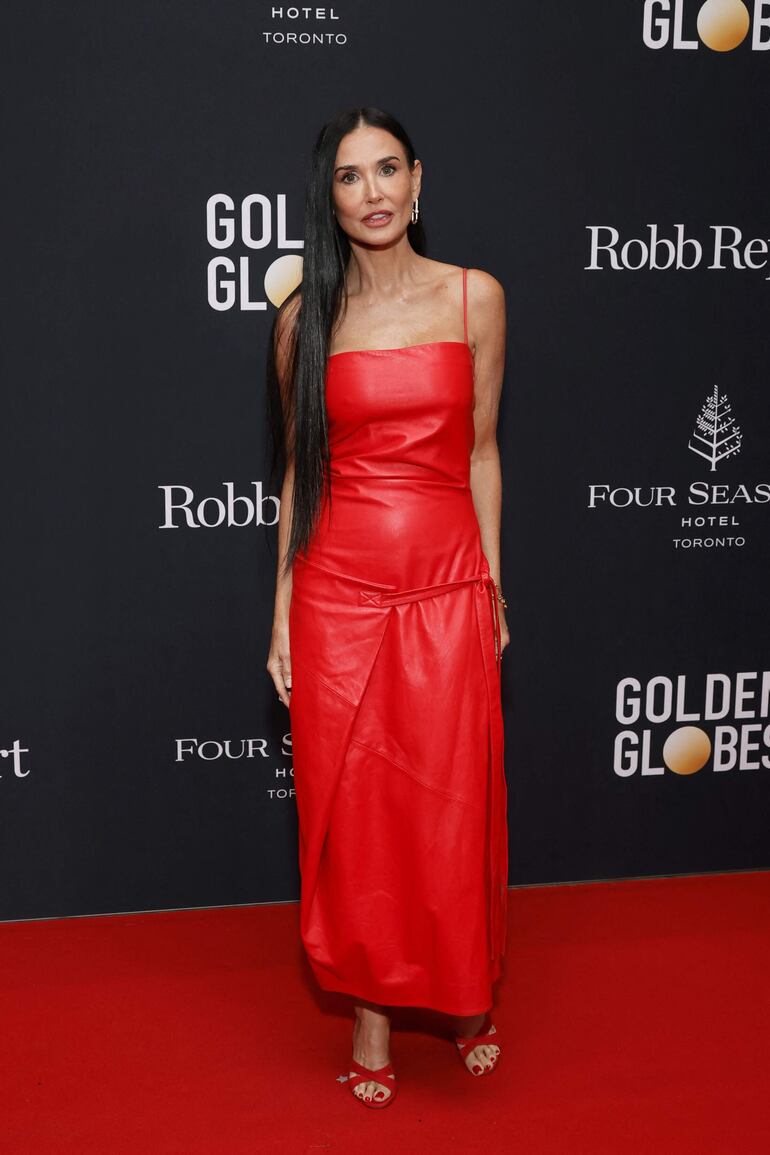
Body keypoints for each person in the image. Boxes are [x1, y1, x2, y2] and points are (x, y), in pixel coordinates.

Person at [265, 106, 509, 1109]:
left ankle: (463, 996)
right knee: (357, 813)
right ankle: (369, 1010)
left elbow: (482, 450)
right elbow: (297, 472)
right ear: (327, 198)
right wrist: (279, 610)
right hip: (337, 592)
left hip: (447, 584)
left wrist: (492, 582)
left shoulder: (474, 298)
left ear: (418, 182)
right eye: (349, 177)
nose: (371, 192)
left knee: (450, 803)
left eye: (387, 170)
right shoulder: (300, 325)